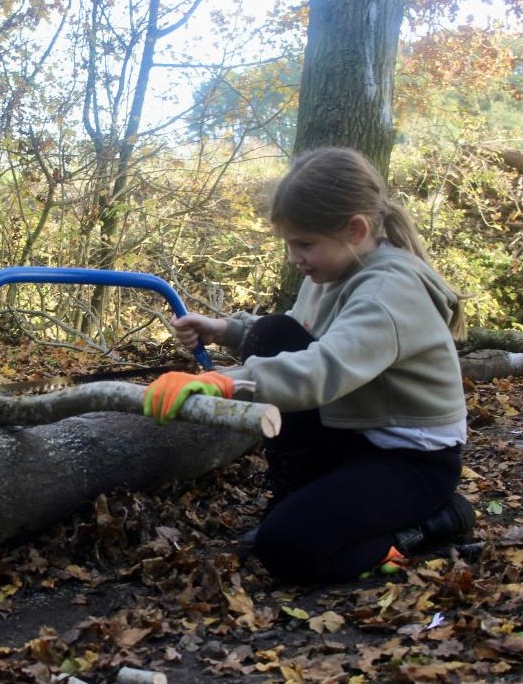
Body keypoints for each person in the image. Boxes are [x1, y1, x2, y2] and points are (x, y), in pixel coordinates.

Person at [143, 147, 475, 584]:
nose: (294, 256)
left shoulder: (388, 292)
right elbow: (297, 336)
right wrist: (225, 329)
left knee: (289, 549)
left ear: (354, 230)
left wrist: (223, 382)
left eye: (304, 244)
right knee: (272, 331)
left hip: (412, 461)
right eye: (289, 243)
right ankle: (297, 495)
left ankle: (434, 523)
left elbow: (322, 368)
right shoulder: (332, 270)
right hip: (358, 432)